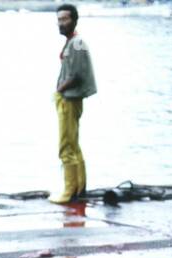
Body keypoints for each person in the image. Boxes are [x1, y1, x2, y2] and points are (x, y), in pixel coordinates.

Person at [51, 4, 97, 205]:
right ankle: (79, 188)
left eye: (65, 19)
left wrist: (60, 89)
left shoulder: (77, 43)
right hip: (68, 98)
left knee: (66, 146)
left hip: (70, 99)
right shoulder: (73, 42)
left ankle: (69, 191)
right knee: (74, 143)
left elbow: (77, 75)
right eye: (59, 20)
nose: (61, 23)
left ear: (75, 20)